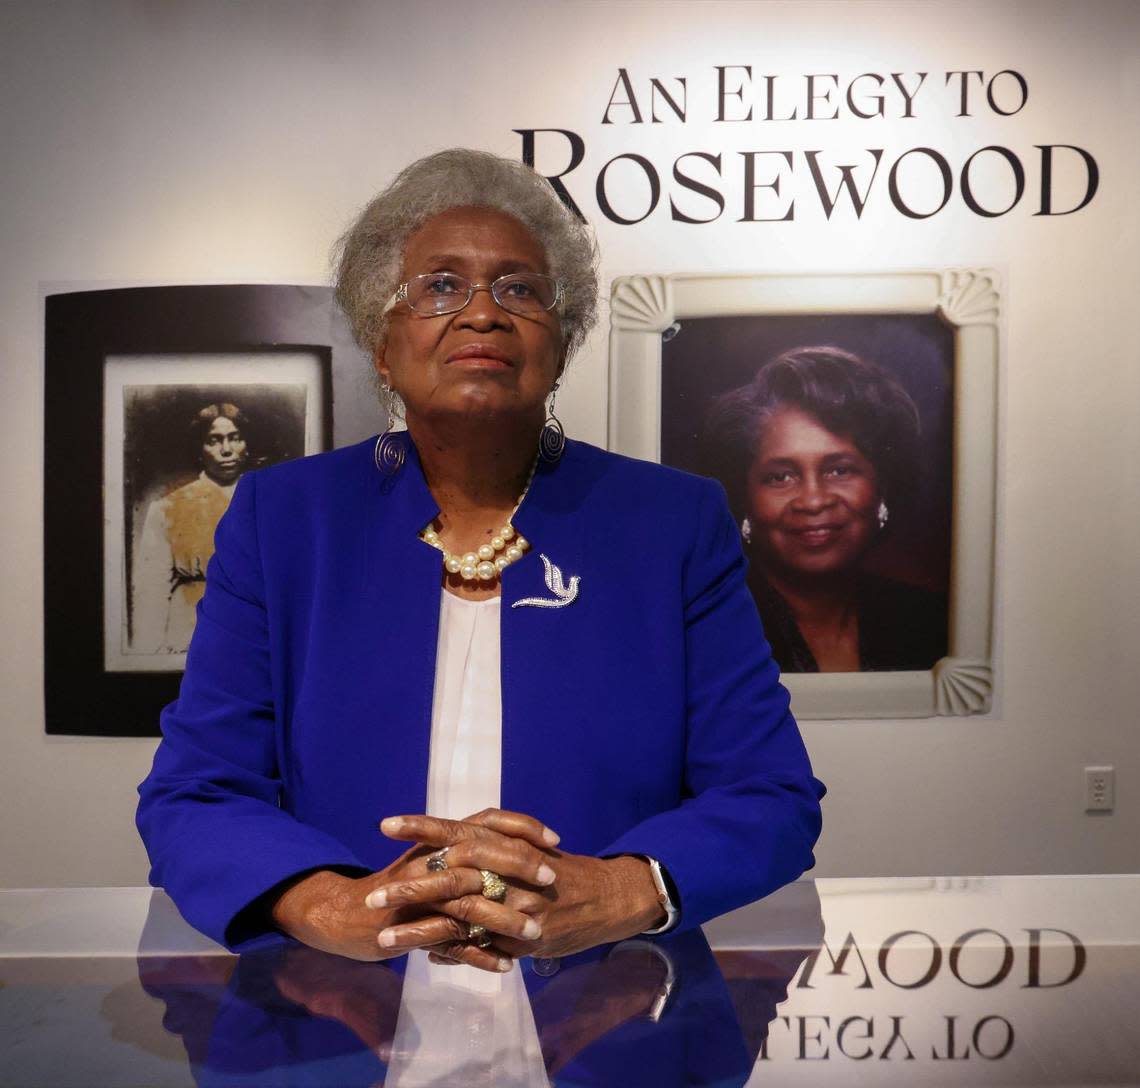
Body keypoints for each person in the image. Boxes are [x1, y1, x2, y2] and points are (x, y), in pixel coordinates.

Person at [137, 149, 823, 987]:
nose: (482, 314)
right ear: (381, 346)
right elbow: (197, 795)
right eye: (438, 287)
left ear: (560, 343)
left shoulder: (672, 523)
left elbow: (769, 797)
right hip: (345, 1014)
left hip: (606, 1012)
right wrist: (333, 907)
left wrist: (619, 890)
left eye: (520, 289)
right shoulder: (285, 520)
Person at [705, 346, 948, 673]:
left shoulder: (933, 622)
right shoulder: (706, 630)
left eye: (840, 470)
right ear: (744, 497)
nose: (814, 500)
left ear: (882, 486)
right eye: (780, 476)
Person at [131, 403, 252, 654]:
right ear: (200, 449)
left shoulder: (272, 503)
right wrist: (147, 655)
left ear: (246, 445)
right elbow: (150, 595)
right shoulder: (167, 508)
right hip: (189, 633)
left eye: (235, 438)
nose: (226, 450)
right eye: (214, 440)